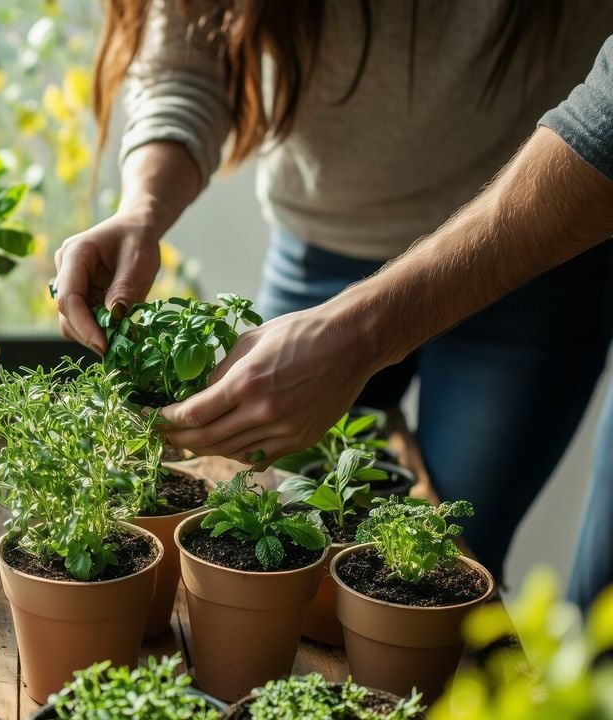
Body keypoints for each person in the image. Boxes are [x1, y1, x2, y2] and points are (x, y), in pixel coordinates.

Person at [54, 0, 613, 586]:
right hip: (325, 245)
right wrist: (142, 208)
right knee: (271, 516)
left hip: (531, 250)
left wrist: (363, 335)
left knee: (446, 565)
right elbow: (188, 57)